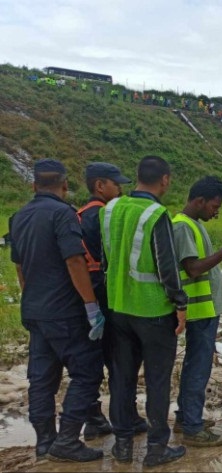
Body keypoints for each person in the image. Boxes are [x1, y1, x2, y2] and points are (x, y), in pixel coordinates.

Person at [10, 159, 105, 463]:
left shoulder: (19, 217)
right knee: (87, 372)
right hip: (64, 311)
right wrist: (91, 306)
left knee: (42, 378)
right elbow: (75, 261)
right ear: (65, 185)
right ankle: (67, 440)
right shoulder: (63, 214)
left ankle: (44, 442)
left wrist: (31, 298)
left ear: (33, 185)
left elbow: (20, 266)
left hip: (35, 310)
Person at [101, 156, 188, 467]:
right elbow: (168, 267)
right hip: (153, 311)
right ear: (164, 180)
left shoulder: (111, 208)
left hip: (118, 308)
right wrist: (180, 303)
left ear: (136, 176)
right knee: (157, 380)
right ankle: (156, 448)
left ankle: (122, 445)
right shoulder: (156, 214)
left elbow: (106, 256)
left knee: (122, 378)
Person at [77, 163, 148, 441]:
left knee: (89, 360)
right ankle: (126, 417)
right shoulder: (105, 216)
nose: (120, 189)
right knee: (121, 360)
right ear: (100, 186)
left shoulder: (79, 216)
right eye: (115, 184)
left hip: (85, 298)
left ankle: (94, 417)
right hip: (109, 297)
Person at [172, 176, 222, 447]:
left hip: (204, 310)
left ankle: (185, 418)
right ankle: (192, 427)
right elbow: (193, 268)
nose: (216, 211)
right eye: (214, 206)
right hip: (198, 310)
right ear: (199, 201)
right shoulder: (182, 227)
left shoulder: (194, 225)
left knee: (196, 366)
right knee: (198, 369)